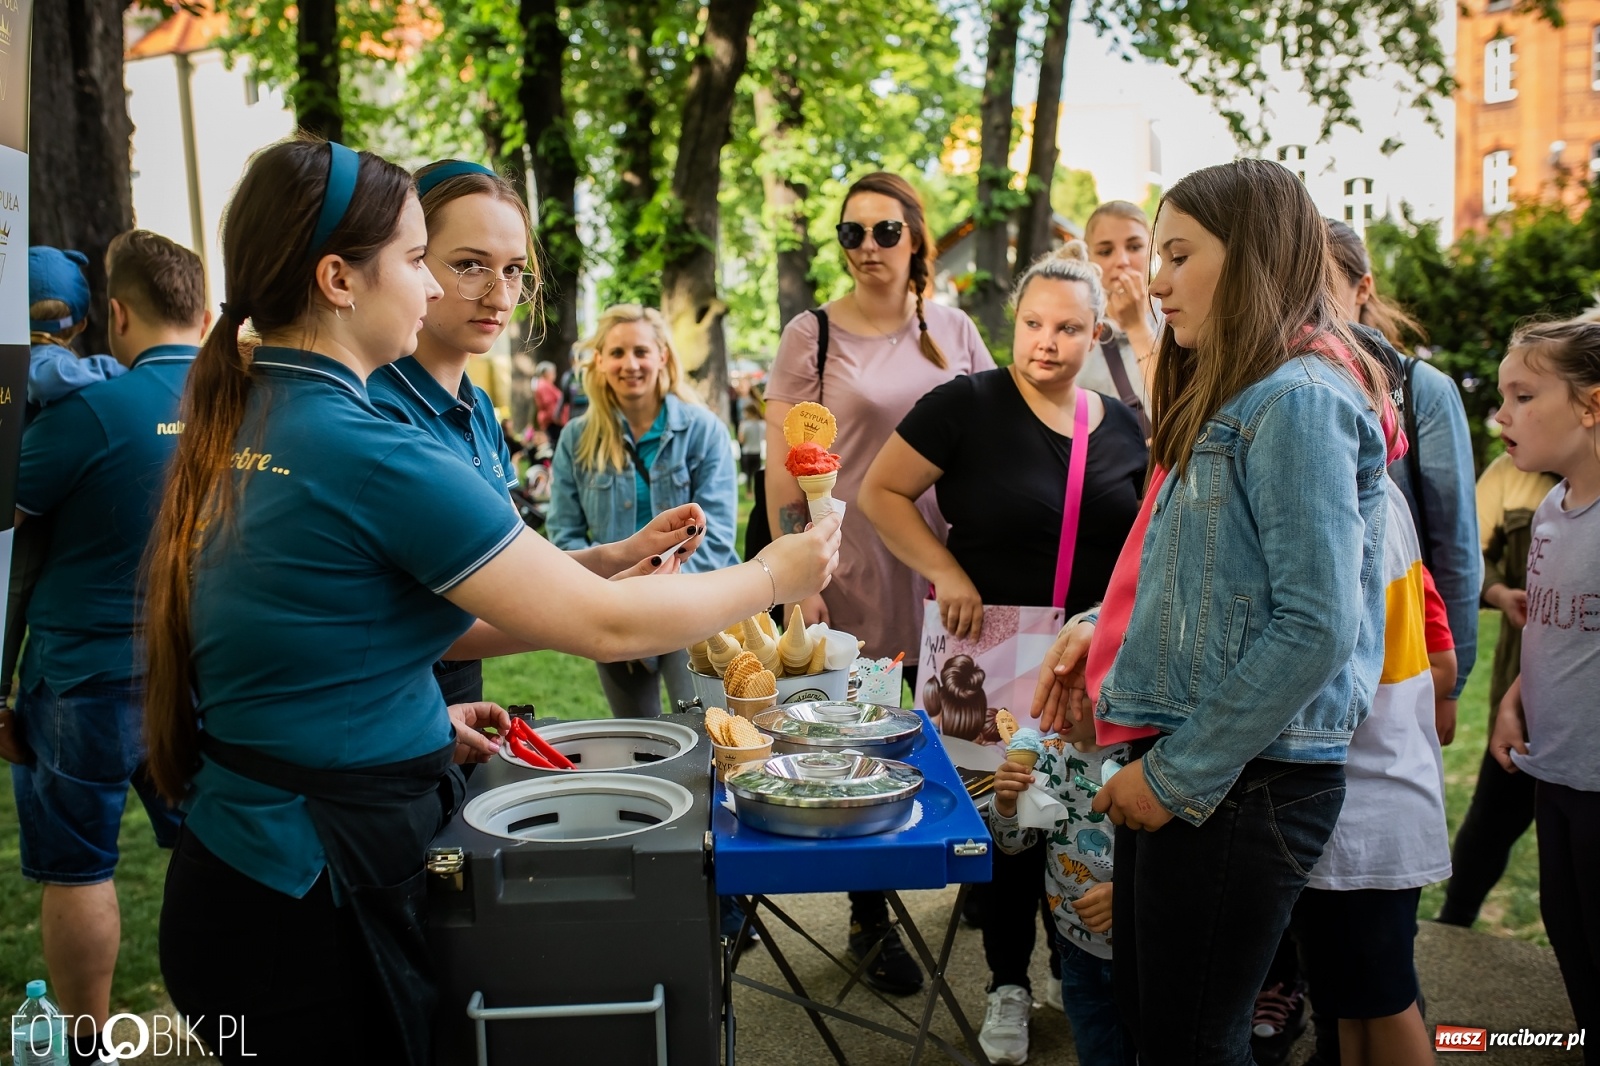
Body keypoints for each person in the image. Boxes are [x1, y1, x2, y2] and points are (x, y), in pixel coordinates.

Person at [144, 137, 840, 1065]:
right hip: (302, 891)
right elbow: (605, 627)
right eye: (416, 260)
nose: (435, 289)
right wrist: (776, 574)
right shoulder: (366, 444)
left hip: (259, 868)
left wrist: (415, 717)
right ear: (338, 280)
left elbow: (340, 626)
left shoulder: (267, 405)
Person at [1034, 159, 1398, 1064]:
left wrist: (1172, 776)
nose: (1155, 281)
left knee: (1191, 1042)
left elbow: (1315, 625)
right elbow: (1196, 587)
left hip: (1247, 778)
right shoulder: (1240, 393)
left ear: (1255, 258)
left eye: (1179, 255)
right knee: (1161, 1025)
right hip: (1208, 767)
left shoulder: (1298, 401)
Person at [860, 239, 1146, 1063]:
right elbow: (881, 492)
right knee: (1008, 814)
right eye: (1031, 323)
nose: (1045, 342)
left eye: (1066, 328)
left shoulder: (1120, 425)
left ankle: (1075, 962)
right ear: (1011, 323)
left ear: (1096, 337)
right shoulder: (966, 404)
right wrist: (945, 568)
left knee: (1081, 812)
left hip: (1089, 660)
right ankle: (1007, 984)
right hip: (986, 655)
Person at [764, 170, 994, 995]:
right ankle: (872, 914)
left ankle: (963, 857)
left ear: (916, 239)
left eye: (885, 232)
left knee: (960, 719)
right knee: (866, 739)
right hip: (851, 569)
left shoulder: (956, 330)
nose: (868, 248)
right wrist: (798, 576)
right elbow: (784, 469)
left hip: (949, 568)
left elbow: (994, 432)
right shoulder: (812, 335)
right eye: (852, 234)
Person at [11, 230, 206, 1040]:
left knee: (78, 871)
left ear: (117, 314)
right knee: (218, 853)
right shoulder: (256, 404)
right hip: (209, 675)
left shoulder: (85, 413)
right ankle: (236, 1016)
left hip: (82, 676)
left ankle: (89, 1047)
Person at [1288, 478, 1454, 1066]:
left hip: (1365, 801)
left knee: (1384, 1004)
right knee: (1350, 1006)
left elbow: (1321, 643)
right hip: (1359, 800)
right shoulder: (1371, 487)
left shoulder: (1348, 495)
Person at [367, 159, 527, 706]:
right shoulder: (378, 410)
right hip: (390, 701)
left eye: (513, 271)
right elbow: (439, 624)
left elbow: (512, 560)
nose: (500, 298)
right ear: (411, 260)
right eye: (470, 266)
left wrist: (617, 557)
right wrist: (605, 606)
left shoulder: (477, 405)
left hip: (454, 699)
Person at [1488, 318, 1600, 1057]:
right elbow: (1560, 630)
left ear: (1591, 406)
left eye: (1523, 396)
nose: (1501, 416)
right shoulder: (1554, 512)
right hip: (1554, 776)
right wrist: (1514, 695)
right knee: (1571, 934)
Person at [548, 303, 740, 718]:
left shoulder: (703, 431)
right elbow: (564, 532)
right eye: (616, 353)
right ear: (599, 362)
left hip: (692, 606)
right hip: (613, 605)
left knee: (705, 729)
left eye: (641, 351)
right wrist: (617, 600)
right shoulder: (576, 439)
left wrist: (656, 602)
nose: (629, 364)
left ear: (662, 357)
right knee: (638, 740)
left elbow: (719, 536)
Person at [1, 247, 130, 749]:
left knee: (15, 597)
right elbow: (54, 373)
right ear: (80, 322)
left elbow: (48, 374)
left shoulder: (32, 360)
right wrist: (109, 372)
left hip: (34, 505)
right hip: (41, 506)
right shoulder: (55, 359)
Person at [1436, 452, 1558, 927]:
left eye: (1525, 396)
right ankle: (1453, 927)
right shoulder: (1513, 474)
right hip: (1522, 694)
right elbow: (1471, 553)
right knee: (1490, 822)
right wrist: (1500, 593)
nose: (1503, 415)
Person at [1076, 201, 1158, 433]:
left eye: (1134, 247)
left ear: (1152, 248)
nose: (1122, 260)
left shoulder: (1176, 318)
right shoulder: (1076, 330)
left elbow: (1177, 407)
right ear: (1087, 257)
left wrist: (1137, 326)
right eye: (1105, 251)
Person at [534, 360, 564, 446]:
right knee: (555, 443)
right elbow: (549, 404)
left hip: (552, 420)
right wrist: (557, 418)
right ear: (546, 373)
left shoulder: (546, 385)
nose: (554, 375)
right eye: (553, 372)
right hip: (551, 421)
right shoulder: (543, 386)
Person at [738, 401, 765, 496]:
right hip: (757, 452)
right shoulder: (762, 424)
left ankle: (749, 492)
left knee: (748, 474)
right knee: (756, 474)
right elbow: (764, 437)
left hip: (747, 452)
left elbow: (741, 440)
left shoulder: (744, 425)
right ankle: (756, 492)